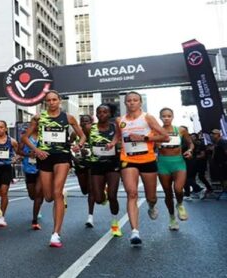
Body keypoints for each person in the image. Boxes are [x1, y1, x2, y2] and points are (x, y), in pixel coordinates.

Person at [22, 90, 85, 248]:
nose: (51, 102)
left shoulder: (68, 118)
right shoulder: (38, 118)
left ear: (60, 101)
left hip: (62, 156)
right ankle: (60, 194)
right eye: (48, 100)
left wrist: (79, 145)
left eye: (54, 100)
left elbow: (82, 136)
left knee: (56, 193)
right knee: (48, 196)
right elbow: (24, 137)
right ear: (45, 102)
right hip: (44, 157)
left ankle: (56, 234)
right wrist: (36, 151)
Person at [117, 91, 169, 247]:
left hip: (147, 159)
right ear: (125, 103)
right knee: (131, 193)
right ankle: (135, 232)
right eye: (129, 100)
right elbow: (119, 136)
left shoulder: (148, 118)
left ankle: (152, 205)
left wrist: (144, 138)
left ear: (140, 103)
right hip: (128, 159)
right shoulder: (120, 120)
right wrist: (113, 143)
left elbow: (165, 136)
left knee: (151, 196)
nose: (132, 103)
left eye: (135, 100)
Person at [87, 105, 122, 236]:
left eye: (105, 112)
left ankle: (114, 224)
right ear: (96, 115)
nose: (102, 114)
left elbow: (121, 140)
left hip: (113, 165)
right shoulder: (90, 128)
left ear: (109, 114)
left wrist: (117, 146)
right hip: (96, 165)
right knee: (98, 199)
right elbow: (83, 140)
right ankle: (103, 195)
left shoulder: (115, 127)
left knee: (113, 195)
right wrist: (80, 147)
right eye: (99, 112)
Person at [156, 108, 193, 231]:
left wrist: (190, 150)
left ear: (172, 117)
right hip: (163, 163)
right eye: (164, 116)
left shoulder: (181, 130)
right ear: (160, 117)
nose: (166, 118)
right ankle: (172, 218)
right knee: (168, 193)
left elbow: (190, 143)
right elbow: (150, 144)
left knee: (178, 189)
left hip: (178, 163)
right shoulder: (156, 131)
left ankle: (180, 204)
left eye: (169, 116)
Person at [0, 120, 18, 228]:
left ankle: (2, 217)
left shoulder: (12, 141)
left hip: (6, 168)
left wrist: (15, 159)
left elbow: (19, 153)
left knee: (4, 192)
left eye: (2, 127)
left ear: (6, 128)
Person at [72, 115, 95, 227]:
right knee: (84, 190)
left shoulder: (95, 133)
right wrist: (73, 158)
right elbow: (66, 146)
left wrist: (90, 151)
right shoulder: (75, 134)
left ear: (91, 122)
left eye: (86, 122)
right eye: (82, 121)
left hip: (92, 164)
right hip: (79, 164)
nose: (84, 124)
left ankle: (90, 217)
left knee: (91, 190)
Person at [18, 135, 43, 230]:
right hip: (29, 168)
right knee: (32, 195)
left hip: (42, 168)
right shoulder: (25, 137)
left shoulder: (44, 135)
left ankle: (34, 220)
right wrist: (28, 154)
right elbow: (18, 151)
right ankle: (38, 205)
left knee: (38, 193)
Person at [207, 129, 227, 200]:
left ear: (218, 134)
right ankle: (224, 191)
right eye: (212, 134)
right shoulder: (216, 142)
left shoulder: (222, 141)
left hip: (224, 163)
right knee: (222, 178)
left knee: (224, 178)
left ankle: (225, 192)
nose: (212, 135)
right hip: (219, 163)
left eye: (214, 134)